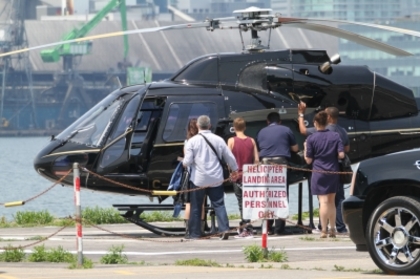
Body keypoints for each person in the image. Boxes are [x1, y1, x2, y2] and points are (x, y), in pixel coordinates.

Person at [183, 115, 239, 240]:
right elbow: (229, 157)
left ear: (198, 125)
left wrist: (183, 163)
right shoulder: (218, 139)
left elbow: (187, 161)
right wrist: (235, 170)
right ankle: (224, 229)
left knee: (196, 206)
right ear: (209, 126)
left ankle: (195, 233)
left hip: (198, 179)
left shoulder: (192, 141)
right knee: (219, 205)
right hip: (216, 178)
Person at [298, 102, 350, 234]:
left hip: (319, 171)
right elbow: (343, 153)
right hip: (334, 170)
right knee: (333, 201)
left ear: (316, 122)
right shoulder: (339, 133)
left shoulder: (312, 137)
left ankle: (323, 229)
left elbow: (308, 159)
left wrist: (305, 149)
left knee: (323, 201)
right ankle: (334, 228)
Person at [257, 112, 299, 235]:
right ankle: (279, 228)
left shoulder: (261, 131)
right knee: (281, 195)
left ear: (267, 121)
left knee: (267, 196)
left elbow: (260, 148)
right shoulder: (286, 130)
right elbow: (295, 149)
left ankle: (267, 227)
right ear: (279, 121)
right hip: (281, 163)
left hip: (265, 164)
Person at [227, 117, 259, 239]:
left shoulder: (231, 140)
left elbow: (228, 159)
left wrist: (231, 170)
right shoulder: (251, 140)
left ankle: (247, 228)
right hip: (249, 176)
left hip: (237, 176)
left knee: (241, 203)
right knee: (249, 203)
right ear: (245, 127)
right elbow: (256, 160)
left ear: (234, 128)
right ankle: (247, 225)